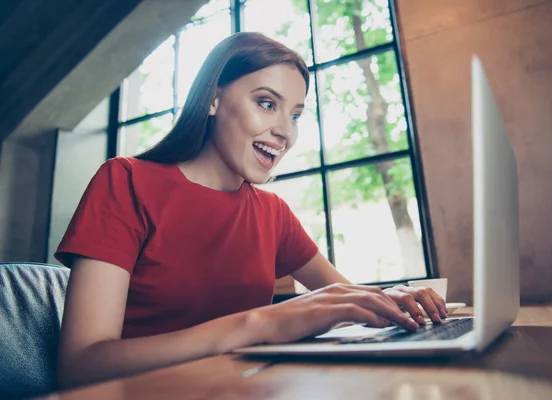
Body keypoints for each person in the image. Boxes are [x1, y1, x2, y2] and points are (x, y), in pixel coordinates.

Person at [55, 32, 448, 389]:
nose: (286, 131)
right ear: (213, 99)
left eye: (294, 115)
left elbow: (342, 298)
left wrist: (392, 299)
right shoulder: (125, 181)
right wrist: (256, 324)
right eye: (266, 104)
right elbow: (80, 365)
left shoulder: (272, 212)